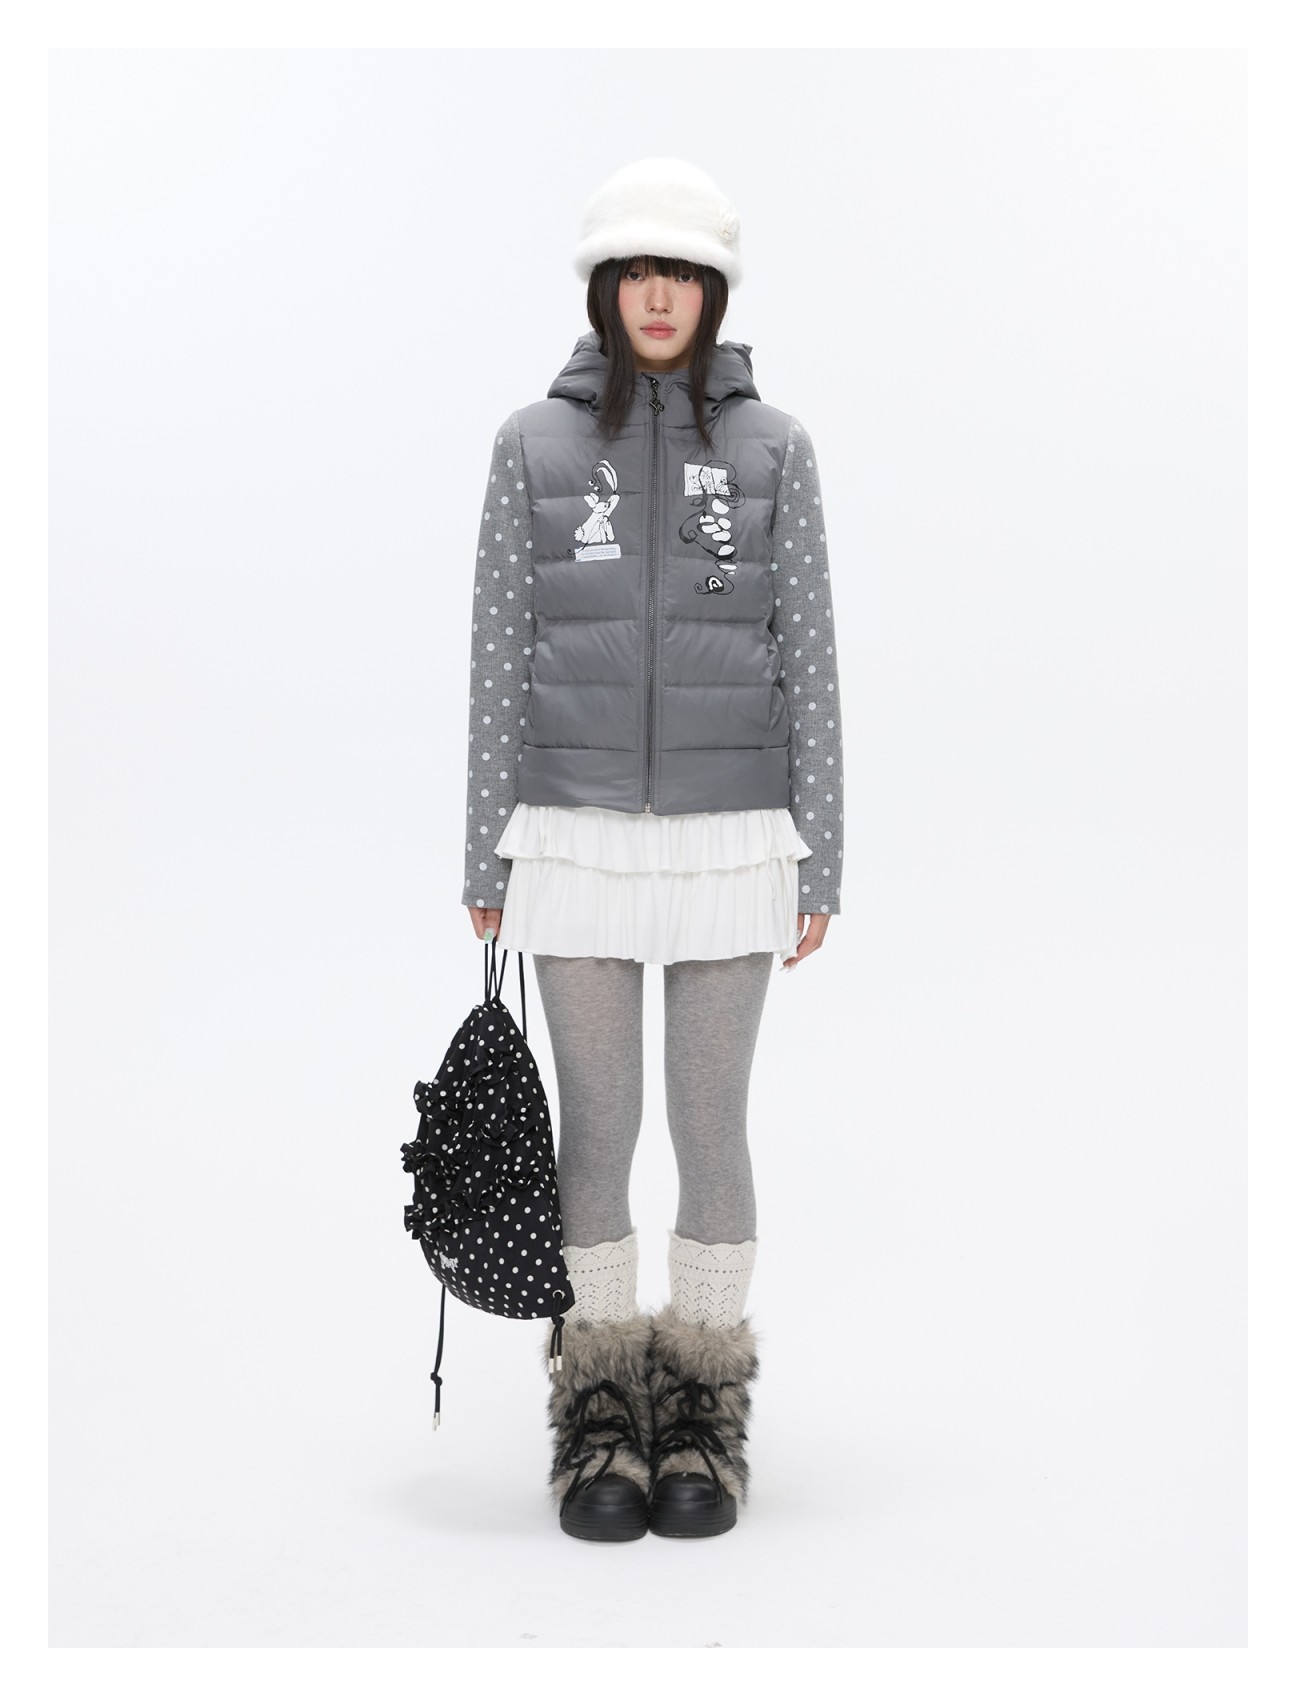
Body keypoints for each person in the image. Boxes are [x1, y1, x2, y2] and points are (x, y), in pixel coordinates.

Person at [459, 156, 845, 1542]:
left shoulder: (776, 450)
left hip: (735, 839)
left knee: (709, 1124)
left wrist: (822, 858)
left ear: (713, 291)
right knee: (600, 1129)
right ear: (606, 289)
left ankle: (702, 1411)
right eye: (639, 272)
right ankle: (600, 1420)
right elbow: (500, 655)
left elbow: (811, 660)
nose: (661, 296)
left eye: (683, 272)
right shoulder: (532, 446)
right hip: (570, 838)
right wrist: (485, 856)